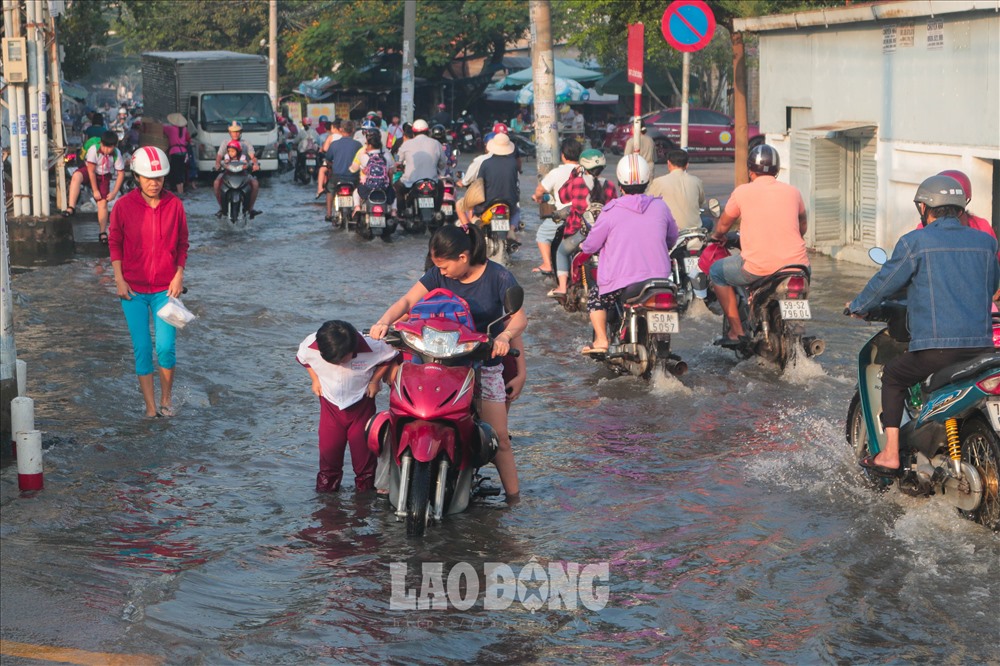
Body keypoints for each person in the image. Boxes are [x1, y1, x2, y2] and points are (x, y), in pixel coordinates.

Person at [847, 174, 998, 475]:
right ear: (959, 207)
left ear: (924, 207)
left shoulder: (915, 242)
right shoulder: (986, 242)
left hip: (937, 351)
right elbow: (991, 284)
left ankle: (890, 454)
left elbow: (885, 283)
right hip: (982, 349)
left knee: (893, 375)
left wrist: (858, 306)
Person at [370, 224, 527, 501]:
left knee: (500, 438)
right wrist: (383, 321)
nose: (441, 272)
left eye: (444, 267)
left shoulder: (498, 276)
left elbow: (518, 317)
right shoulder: (436, 275)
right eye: (437, 267)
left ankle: (514, 500)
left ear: (463, 257)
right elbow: (407, 301)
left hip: (482, 362)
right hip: (436, 361)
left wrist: (504, 336)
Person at [109, 147, 189, 419]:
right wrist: (119, 279)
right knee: (142, 348)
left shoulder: (175, 205)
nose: (154, 183)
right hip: (132, 290)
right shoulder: (122, 206)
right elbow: (115, 243)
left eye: (159, 178)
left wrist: (179, 275)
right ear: (136, 177)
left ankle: (166, 399)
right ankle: (150, 408)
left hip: (165, 290)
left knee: (165, 348)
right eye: (148, 178)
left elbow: (182, 244)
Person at [707, 144, 809, 346]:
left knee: (716, 272)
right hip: (799, 267)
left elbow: (725, 223)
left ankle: (737, 332)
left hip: (759, 268)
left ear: (750, 170)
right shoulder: (793, 192)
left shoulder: (742, 191)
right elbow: (802, 226)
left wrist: (716, 236)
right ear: (777, 170)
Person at [578, 154, 677, 355]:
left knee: (596, 297)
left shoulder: (611, 210)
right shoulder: (660, 206)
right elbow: (672, 238)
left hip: (623, 282)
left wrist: (584, 245)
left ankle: (602, 341)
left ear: (620, 184)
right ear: (647, 181)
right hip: (660, 280)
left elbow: (591, 245)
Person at [297, 320, 397, 493]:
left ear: (354, 349)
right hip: (330, 407)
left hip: (361, 407)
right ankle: (327, 505)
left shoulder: (374, 346)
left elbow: (391, 356)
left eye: (342, 359)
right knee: (329, 459)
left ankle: (364, 504)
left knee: (364, 462)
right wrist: (315, 379)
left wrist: (375, 380)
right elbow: (303, 359)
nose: (338, 363)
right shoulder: (311, 344)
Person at [548, 149, 618, 298]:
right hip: (604, 235)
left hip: (579, 233)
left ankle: (562, 287)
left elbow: (562, 197)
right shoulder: (610, 185)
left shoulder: (576, 182)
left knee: (561, 252)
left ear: (583, 166)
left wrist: (573, 175)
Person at [530, 138, 582, 275]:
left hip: (564, 216)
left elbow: (540, 190)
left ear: (563, 155)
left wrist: (538, 197)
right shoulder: (584, 171)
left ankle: (547, 265)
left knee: (542, 235)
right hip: (583, 216)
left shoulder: (557, 172)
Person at [456, 133, 520, 237]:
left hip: (487, 204)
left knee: (460, 204)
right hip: (509, 204)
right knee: (517, 212)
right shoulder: (513, 163)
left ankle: (470, 231)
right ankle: (512, 230)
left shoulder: (485, 163)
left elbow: (478, 185)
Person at [67, 131, 125, 243]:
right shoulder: (94, 149)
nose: (106, 150)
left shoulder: (117, 154)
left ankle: (102, 232)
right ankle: (71, 207)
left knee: (102, 203)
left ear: (114, 146)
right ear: (101, 143)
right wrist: (95, 190)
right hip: (89, 171)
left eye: (109, 147)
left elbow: (120, 174)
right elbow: (91, 171)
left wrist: (114, 192)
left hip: (104, 177)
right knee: (76, 177)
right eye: (104, 146)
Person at [393, 119, 446, 211]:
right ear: (428, 131)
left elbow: (398, 160)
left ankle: (401, 213)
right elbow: (443, 163)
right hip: (432, 182)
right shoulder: (436, 144)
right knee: (441, 187)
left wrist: (398, 166)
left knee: (397, 187)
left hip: (410, 182)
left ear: (413, 132)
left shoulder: (406, 144)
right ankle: (437, 211)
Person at [647, 149, 706, 230]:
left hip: (669, 229)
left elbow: (648, 203)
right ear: (687, 165)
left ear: (668, 163)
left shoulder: (659, 182)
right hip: (694, 230)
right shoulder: (697, 181)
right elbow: (701, 202)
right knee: (708, 222)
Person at [213, 121, 261, 218]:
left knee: (255, 184)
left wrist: (255, 164)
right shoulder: (225, 143)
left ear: (241, 132)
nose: (235, 134)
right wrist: (217, 164)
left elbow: (253, 157)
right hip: (227, 172)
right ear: (229, 132)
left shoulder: (246, 143)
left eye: (238, 131)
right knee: (216, 183)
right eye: (233, 132)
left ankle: (250, 209)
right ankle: (222, 208)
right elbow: (219, 156)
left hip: (243, 172)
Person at [350, 128, 395, 216]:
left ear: (367, 141)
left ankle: (357, 208)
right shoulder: (387, 154)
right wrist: (390, 183)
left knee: (356, 192)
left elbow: (360, 169)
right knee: (394, 193)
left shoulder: (363, 155)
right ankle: (394, 211)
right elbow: (391, 171)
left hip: (368, 187)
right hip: (384, 187)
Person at [323, 120, 362, 222]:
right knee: (360, 190)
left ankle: (328, 213)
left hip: (337, 177)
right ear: (353, 130)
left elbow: (328, 159)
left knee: (329, 189)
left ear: (340, 130)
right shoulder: (358, 145)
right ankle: (359, 210)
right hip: (353, 178)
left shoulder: (334, 144)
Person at [162, 112, 191, 195]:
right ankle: (181, 190)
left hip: (174, 152)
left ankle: (179, 191)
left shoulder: (170, 129)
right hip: (183, 152)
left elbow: (161, 128)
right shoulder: (185, 129)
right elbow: (188, 139)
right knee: (181, 171)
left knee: (175, 171)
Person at [315, 117, 343, 197]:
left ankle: (320, 189)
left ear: (334, 128)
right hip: (344, 163)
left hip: (332, 162)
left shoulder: (331, 137)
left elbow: (325, 148)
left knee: (322, 170)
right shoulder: (345, 136)